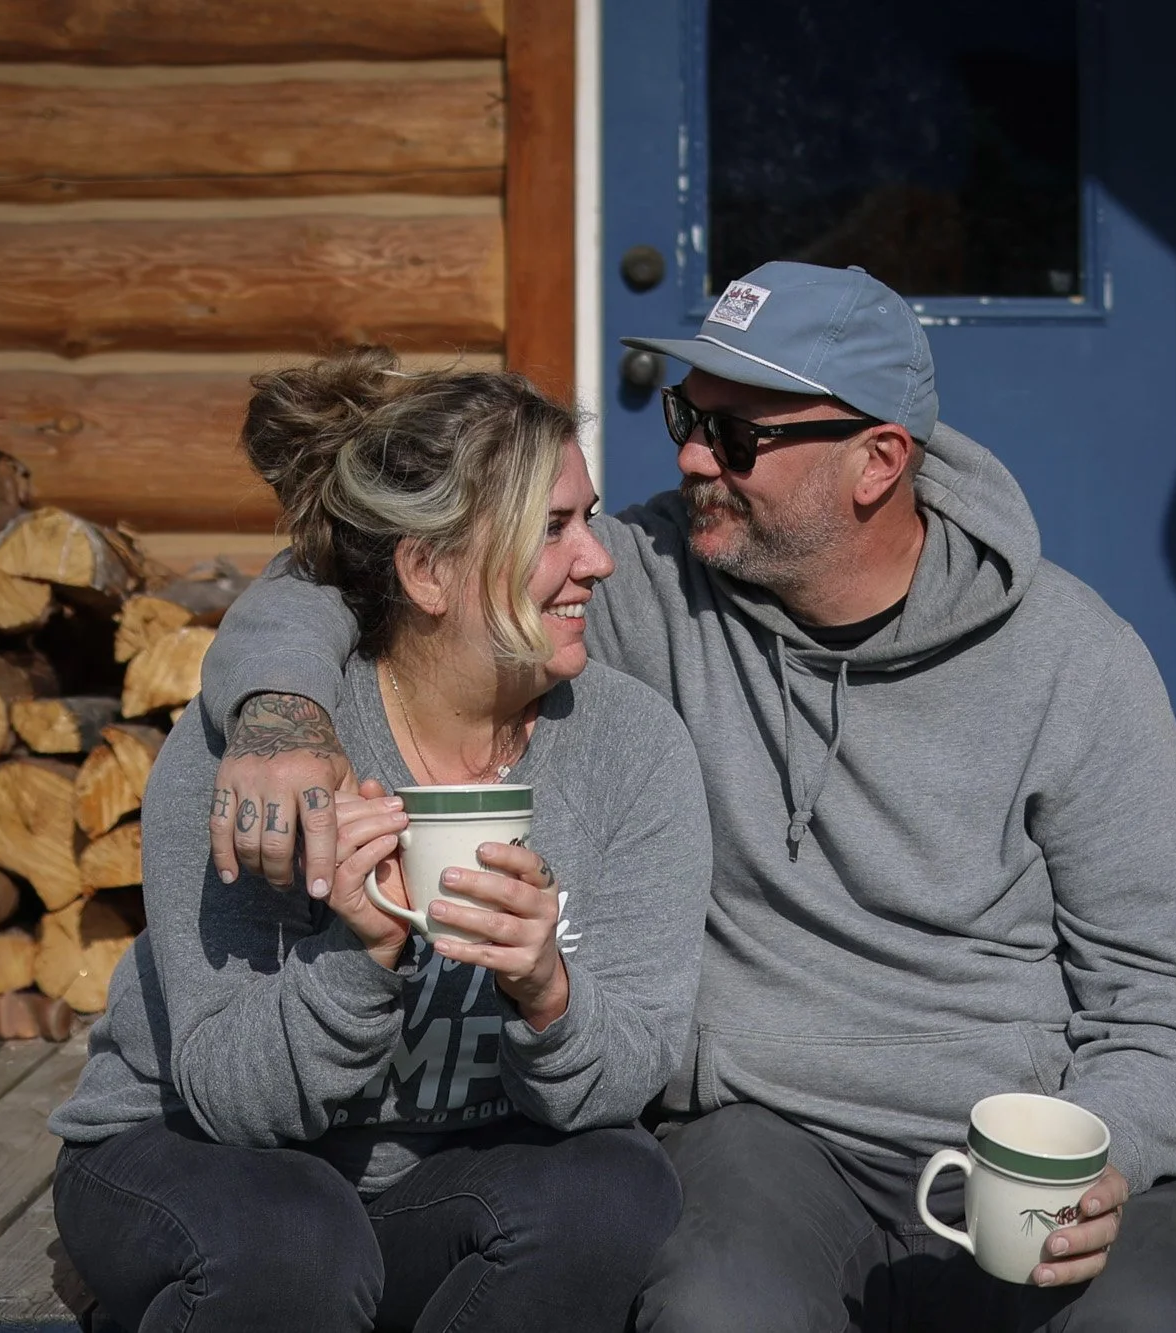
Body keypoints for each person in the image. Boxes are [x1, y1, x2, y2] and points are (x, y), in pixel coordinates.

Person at [196, 262, 1176, 1331]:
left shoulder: (1075, 663)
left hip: (1019, 1133)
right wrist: (282, 716)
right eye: (687, 413)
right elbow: (346, 568)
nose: (691, 454)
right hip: (765, 1135)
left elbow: (1160, 990)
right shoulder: (646, 574)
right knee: (716, 1314)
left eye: (739, 437)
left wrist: (1093, 1145)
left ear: (876, 460)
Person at [48, 350, 713, 1333]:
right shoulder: (265, 752)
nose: (598, 560)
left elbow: (625, 1073)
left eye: (591, 518)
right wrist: (361, 955)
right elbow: (226, 1094)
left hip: (434, 1184)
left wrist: (546, 992)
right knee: (295, 1241)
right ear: (428, 571)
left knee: (617, 1188)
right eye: (554, 529)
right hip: (188, 1153)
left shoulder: (629, 747)